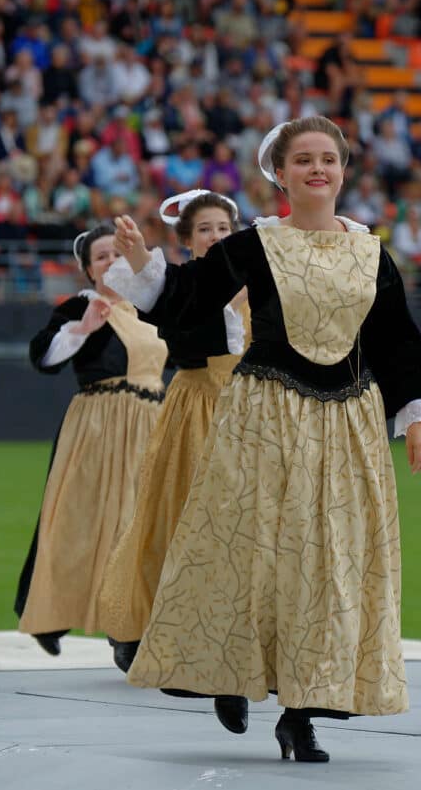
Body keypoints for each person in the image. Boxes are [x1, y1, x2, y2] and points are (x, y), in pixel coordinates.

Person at [105, 116, 421, 762]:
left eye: (328, 159)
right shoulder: (254, 244)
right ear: (279, 174)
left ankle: (301, 711)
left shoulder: (372, 251)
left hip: (348, 422)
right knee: (249, 548)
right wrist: (146, 264)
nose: (318, 169)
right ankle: (228, 671)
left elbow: (397, 340)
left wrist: (415, 415)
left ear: (343, 171)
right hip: (265, 413)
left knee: (327, 563)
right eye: (304, 160)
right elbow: (191, 299)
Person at [96, 190, 249, 676]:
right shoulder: (185, 287)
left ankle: (234, 635)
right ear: (186, 241)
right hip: (196, 409)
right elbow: (162, 293)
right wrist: (138, 251)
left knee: (245, 529)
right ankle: (136, 624)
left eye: (224, 229)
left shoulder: (261, 282)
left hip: (249, 415)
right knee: (171, 518)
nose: (216, 237)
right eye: (205, 229)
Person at [14, 226, 168, 659]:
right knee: (84, 522)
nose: (111, 262)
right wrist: (81, 329)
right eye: (101, 257)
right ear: (87, 269)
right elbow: (43, 356)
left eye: (117, 254)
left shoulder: (148, 308)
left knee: (146, 526)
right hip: (101, 425)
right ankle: (100, 625)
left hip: (152, 422)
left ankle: (133, 623)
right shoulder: (80, 307)